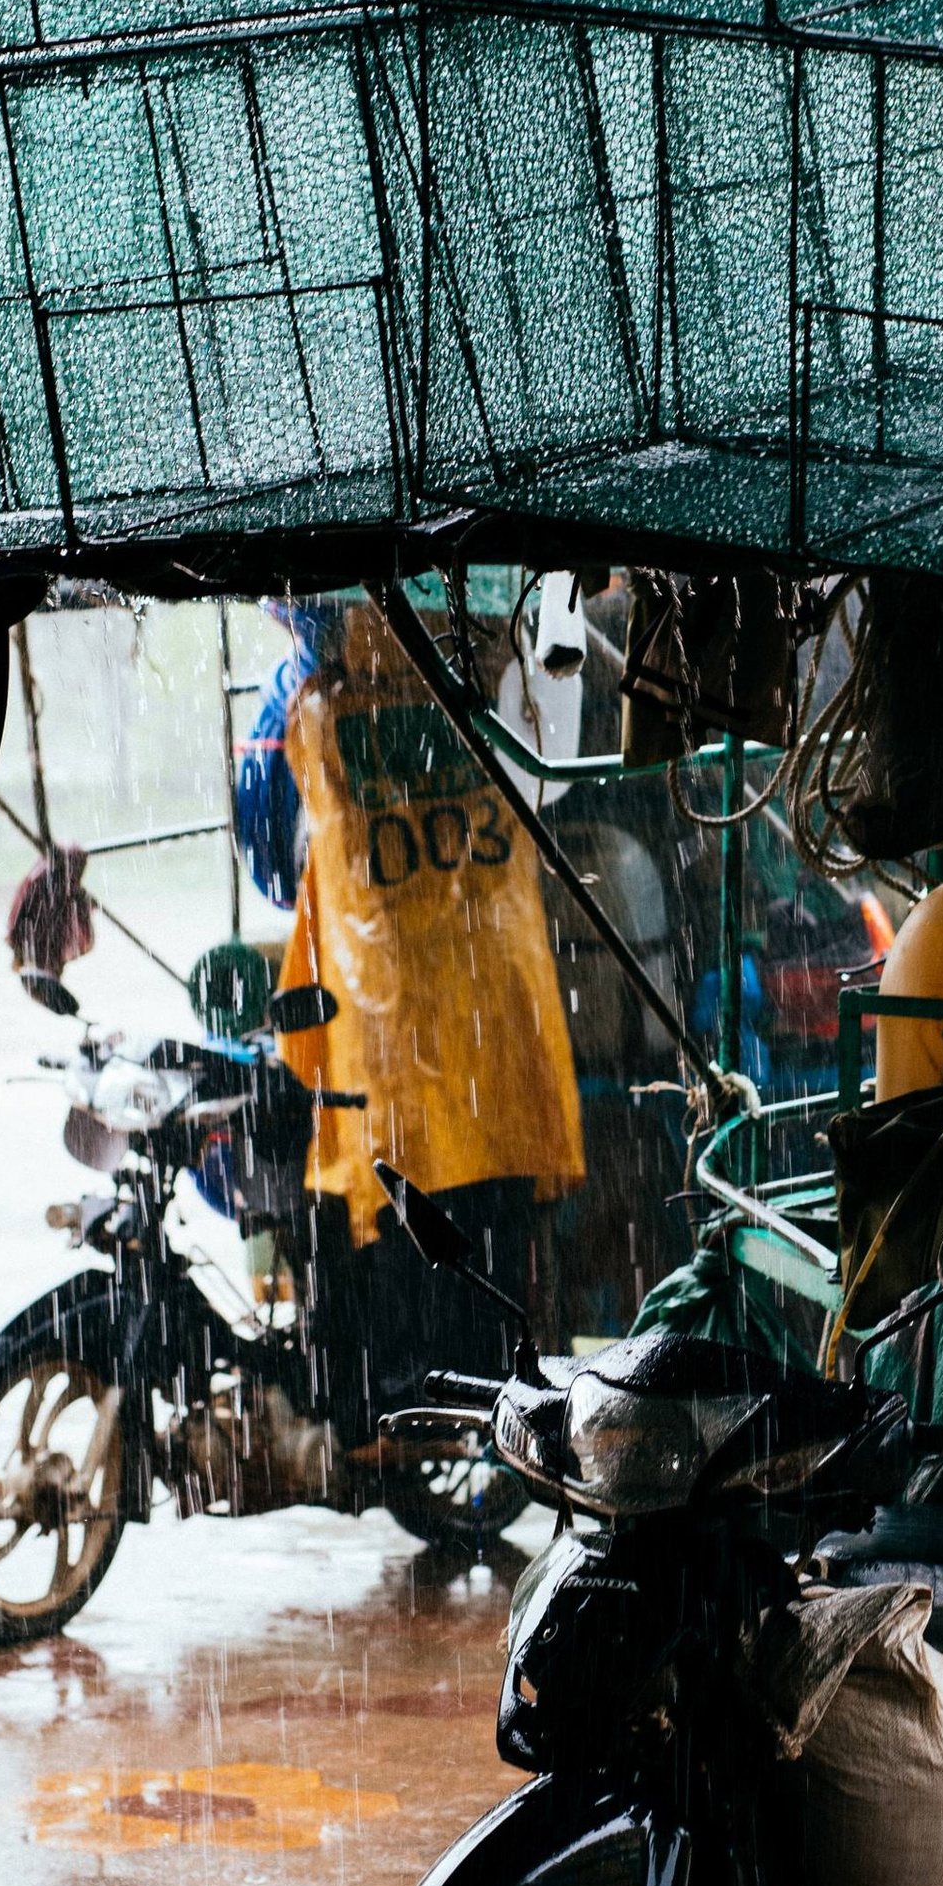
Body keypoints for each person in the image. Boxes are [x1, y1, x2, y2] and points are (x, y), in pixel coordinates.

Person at [239, 598, 585, 1437]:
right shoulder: (498, 687)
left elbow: (274, 866)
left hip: (386, 1049)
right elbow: (554, 780)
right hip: (496, 1039)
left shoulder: (305, 708)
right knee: (487, 1255)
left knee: (399, 1244)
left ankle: (389, 1415)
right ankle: (489, 1408)